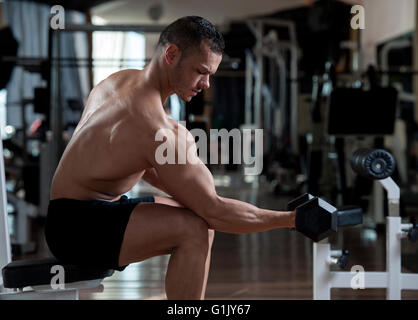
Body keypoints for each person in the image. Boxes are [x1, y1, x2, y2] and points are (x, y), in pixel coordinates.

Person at [45, 16, 296, 300]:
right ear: (172, 55)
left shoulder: (118, 81)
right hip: (78, 230)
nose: (207, 84)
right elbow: (215, 209)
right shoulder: (155, 127)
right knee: (196, 229)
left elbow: (127, 161)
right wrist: (291, 219)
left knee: (193, 214)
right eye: (201, 71)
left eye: (211, 74)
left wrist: (193, 196)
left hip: (67, 215)